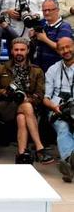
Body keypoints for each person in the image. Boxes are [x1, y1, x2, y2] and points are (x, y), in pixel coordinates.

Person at [0, 37, 53, 164]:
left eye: (22, 49)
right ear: (12, 51)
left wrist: (27, 99)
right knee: (26, 107)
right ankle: (40, 148)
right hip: (5, 106)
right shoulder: (2, 69)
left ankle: (22, 154)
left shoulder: (37, 70)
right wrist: (4, 91)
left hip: (28, 107)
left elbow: (40, 95)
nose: (19, 52)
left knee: (22, 116)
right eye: (16, 49)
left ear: (28, 51)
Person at [43, 37, 74, 183]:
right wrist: (54, 107)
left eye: (68, 47)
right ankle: (69, 159)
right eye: (62, 48)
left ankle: (68, 163)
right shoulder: (53, 69)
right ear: (58, 51)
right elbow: (45, 98)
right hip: (58, 110)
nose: (66, 51)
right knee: (63, 127)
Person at [32, 0, 72, 72]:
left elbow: (63, 50)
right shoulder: (43, 26)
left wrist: (44, 39)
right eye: (44, 10)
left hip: (57, 71)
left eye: (50, 10)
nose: (47, 13)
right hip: (40, 70)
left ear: (57, 10)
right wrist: (33, 37)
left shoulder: (65, 27)